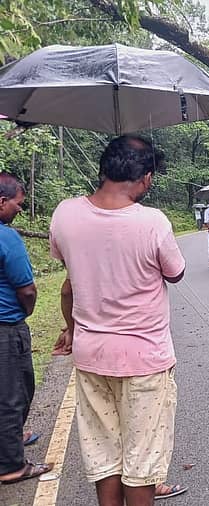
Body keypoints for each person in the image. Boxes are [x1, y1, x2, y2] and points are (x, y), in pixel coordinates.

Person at [49, 136, 187, 505]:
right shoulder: (152, 222)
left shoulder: (64, 213)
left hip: (91, 355)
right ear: (145, 177)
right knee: (140, 460)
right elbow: (175, 272)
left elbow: (70, 278)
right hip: (144, 358)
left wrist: (72, 327)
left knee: (104, 455)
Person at [0, 173, 53, 485]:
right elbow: (27, 289)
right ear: (2, 201)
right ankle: (10, 464)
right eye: (17, 205)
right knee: (13, 394)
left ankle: (12, 439)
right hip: (6, 328)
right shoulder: (7, 237)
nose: (20, 210)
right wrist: (26, 313)